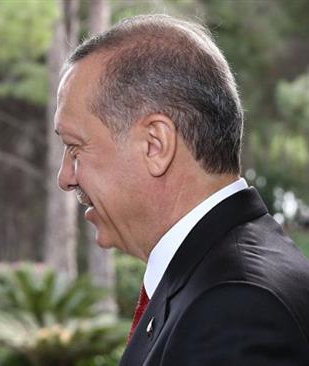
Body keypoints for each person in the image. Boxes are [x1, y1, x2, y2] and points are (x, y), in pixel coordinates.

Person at [54, 14, 309, 365]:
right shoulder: (216, 279)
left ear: (155, 144)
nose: (65, 177)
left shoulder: (234, 306)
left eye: (75, 146)